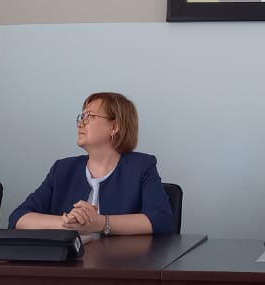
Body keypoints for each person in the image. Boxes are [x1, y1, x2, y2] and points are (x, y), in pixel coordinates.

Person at [9, 91, 174, 235]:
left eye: (90, 116)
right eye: (81, 117)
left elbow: (162, 220)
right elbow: (19, 217)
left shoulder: (141, 166)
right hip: (68, 260)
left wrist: (101, 223)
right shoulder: (63, 169)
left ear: (115, 127)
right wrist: (68, 223)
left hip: (123, 260)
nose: (80, 123)